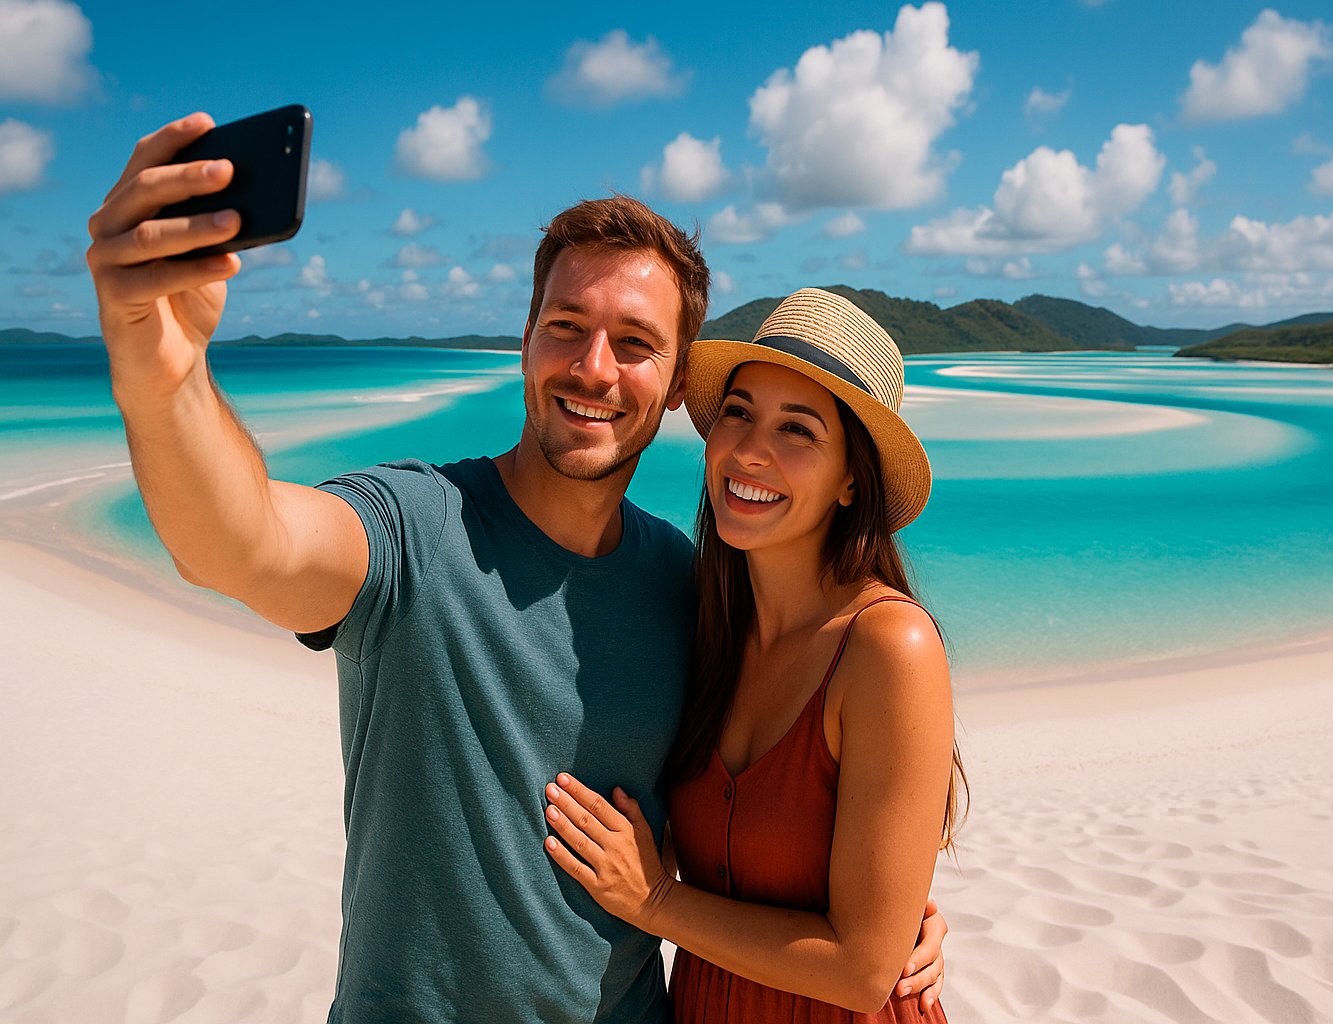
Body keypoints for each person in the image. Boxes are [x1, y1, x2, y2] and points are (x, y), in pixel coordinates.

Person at [85, 113, 946, 1023]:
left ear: (673, 376)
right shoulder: (417, 528)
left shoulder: (687, 584)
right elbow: (242, 541)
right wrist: (161, 373)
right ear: (525, 341)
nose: (594, 368)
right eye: (566, 327)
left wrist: (891, 922)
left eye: (636, 343)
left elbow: (799, 819)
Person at [543, 288, 962, 1021]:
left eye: (797, 430)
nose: (750, 449)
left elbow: (864, 971)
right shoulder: (704, 625)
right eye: (738, 413)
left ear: (851, 480)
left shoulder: (889, 647)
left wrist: (655, 900)